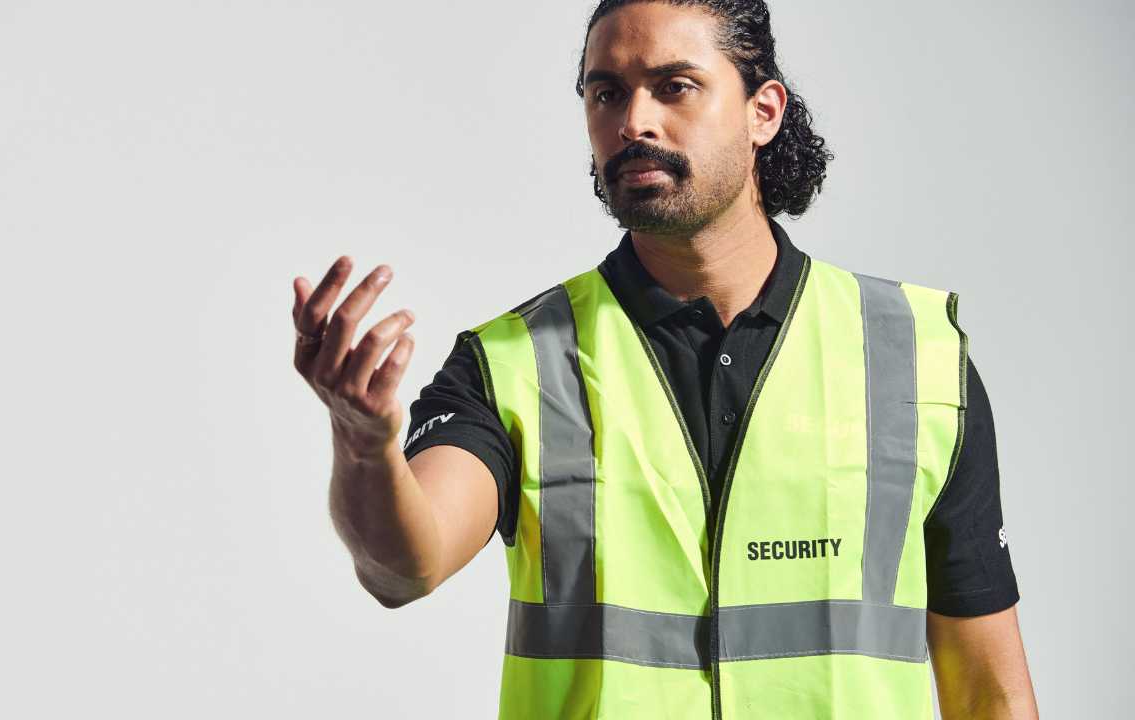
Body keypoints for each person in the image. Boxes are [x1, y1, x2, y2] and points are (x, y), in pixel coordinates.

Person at [292, 1, 1039, 717]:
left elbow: (987, 695)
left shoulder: (915, 358)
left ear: (763, 111)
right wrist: (364, 446)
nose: (632, 122)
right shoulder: (513, 363)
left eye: (675, 86)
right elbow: (403, 565)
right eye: (606, 94)